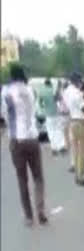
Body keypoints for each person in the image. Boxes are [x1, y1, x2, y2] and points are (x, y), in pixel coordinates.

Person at [2, 64, 48, 226]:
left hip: (17, 139)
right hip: (32, 138)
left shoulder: (6, 92)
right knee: (38, 178)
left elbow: (4, 115)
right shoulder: (30, 90)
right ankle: (40, 210)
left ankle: (29, 216)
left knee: (22, 179)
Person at [63, 73, 84, 186]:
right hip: (81, 122)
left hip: (73, 121)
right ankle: (81, 176)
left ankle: (77, 173)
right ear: (77, 81)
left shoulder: (66, 92)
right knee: (83, 150)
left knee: (75, 150)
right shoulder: (76, 93)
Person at [38, 78, 66, 155]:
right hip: (56, 114)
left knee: (51, 132)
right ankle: (61, 147)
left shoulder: (41, 92)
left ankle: (54, 148)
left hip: (48, 115)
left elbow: (40, 103)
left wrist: (44, 107)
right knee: (58, 130)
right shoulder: (53, 91)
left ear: (45, 85)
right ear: (50, 84)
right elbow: (59, 99)